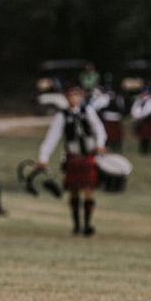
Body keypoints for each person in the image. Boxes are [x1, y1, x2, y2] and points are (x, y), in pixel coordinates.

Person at [37, 84, 107, 235]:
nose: (74, 98)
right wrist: (44, 156)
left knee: (88, 191)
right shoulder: (62, 115)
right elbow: (52, 137)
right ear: (66, 98)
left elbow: (99, 129)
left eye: (76, 95)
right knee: (74, 192)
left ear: (80, 97)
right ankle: (76, 225)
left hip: (87, 155)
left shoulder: (88, 111)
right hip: (73, 157)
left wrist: (100, 144)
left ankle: (88, 225)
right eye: (71, 96)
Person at [94, 75, 126, 152]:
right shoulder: (118, 97)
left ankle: (111, 147)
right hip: (114, 118)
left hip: (109, 119)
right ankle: (115, 148)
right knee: (114, 136)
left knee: (110, 136)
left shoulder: (104, 97)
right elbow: (122, 108)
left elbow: (95, 107)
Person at [130, 86, 151, 154]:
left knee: (148, 136)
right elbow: (134, 109)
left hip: (147, 121)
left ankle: (148, 150)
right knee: (142, 136)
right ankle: (142, 150)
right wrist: (135, 115)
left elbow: (147, 111)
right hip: (141, 121)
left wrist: (138, 116)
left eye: (146, 93)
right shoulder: (139, 101)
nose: (144, 95)